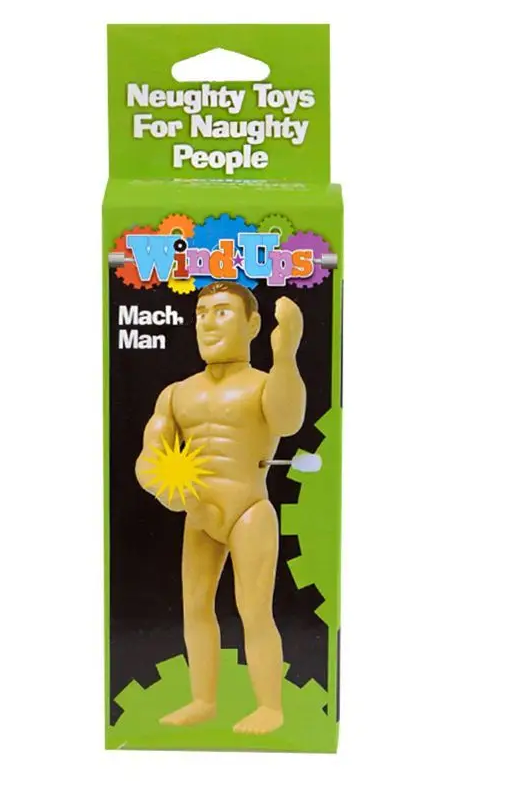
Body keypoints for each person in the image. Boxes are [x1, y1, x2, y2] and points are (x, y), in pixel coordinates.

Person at [135, 282, 306, 735]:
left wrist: (286, 354)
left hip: (248, 511)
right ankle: (203, 700)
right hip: (198, 515)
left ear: (253, 324)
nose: (208, 322)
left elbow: (289, 421)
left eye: (223, 312)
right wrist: (164, 490)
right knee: (194, 608)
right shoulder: (176, 394)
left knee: (254, 610)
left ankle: (270, 707)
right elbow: (150, 456)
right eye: (201, 312)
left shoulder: (263, 384)